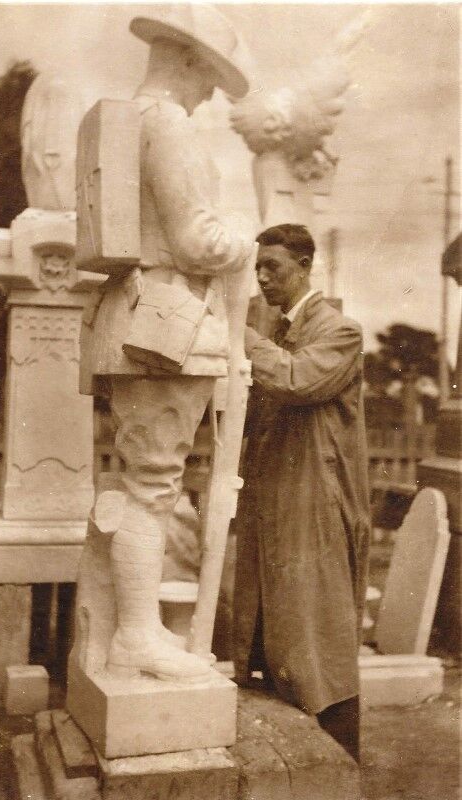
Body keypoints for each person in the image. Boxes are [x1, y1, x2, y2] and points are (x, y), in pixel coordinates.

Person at [79, 5, 253, 683]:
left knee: (137, 482)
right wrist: (244, 232)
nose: (210, 91)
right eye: (208, 75)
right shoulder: (169, 124)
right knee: (153, 486)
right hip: (166, 324)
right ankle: (136, 637)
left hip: (137, 317)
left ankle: (124, 632)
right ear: (186, 60)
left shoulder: (130, 121)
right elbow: (196, 241)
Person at [233, 223, 370, 762]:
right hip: (276, 496)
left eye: (276, 268)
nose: (264, 278)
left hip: (316, 498)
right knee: (278, 622)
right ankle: (297, 761)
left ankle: (341, 762)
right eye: (259, 268)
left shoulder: (341, 331)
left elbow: (295, 380)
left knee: (319, 625)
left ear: (306, 266)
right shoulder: (281, 331)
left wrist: (238, 334)